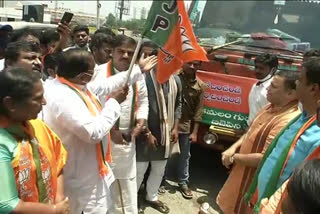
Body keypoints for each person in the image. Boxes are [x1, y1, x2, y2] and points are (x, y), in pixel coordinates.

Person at [42, 48, 143, 214]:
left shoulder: (73, 85)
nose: (96, 73)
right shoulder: (62, 97)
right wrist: (114, 103)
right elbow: (93, 132)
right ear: (83, 77)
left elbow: (105, 85)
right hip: (79, 178)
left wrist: (138, 69)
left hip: (91, 173)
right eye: (93, 71)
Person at [216, 70, 301, 214]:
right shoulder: (269, 107)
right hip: (239, 175)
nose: (267, 89)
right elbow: (250, 132)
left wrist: (233, 157)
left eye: (273, 86)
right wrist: (233, 148)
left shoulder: (287, 120)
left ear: (291, 94)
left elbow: (264, 158)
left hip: (252, 184)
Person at [245, 57, 320, 213]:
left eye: (299, 79)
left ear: (313, 89)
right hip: (261, 203)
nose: (296, 83)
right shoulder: (299, 119)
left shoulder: (317, 135)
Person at [97, 35, 154, 214]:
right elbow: (93, 104)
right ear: (111, 53)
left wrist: (141, 123)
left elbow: (143, 100)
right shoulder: (98, 73)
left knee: (126, 181)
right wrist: (111, 131)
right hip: (102, 139)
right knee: (103, 182)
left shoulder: (137, 75)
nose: (125, 56)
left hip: (128, 139)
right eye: (121, 51)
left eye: (130, 53)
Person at [0, 67, 69, 213]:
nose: (44, 102)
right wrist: (54, 210)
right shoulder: (2, 142)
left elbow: (58, 161)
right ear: (10, 104)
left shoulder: (37, 126)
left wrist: (58, 199)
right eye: (37, 98)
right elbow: (6, 205)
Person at [136, 42, 182, 214]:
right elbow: (138, 107)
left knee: (159, 169)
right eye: (163, 60)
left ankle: (151, 197)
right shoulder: (143, 79)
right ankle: (133, 199)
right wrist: (147, 132)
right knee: (140, 170)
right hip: (145, 134)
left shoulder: (176, 80)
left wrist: (176, 128)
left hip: (166, 135)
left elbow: (178, 106)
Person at [176, 60, 205, 199]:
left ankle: (183, 182)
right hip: (170, 124)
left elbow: (199, 111)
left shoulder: (200, 86)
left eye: (196, 64)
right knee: (164, 155)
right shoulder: (174, 78)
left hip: (185, 125)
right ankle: (161, 181)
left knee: (185, 156)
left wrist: (195, 132)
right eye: (189, 63)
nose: (192, 67)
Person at [247, 53, 278, 126]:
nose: (257, 71)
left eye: (261, 68)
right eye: (256, 67)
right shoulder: (255, 86)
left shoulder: (275, 90)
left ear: (273, 69)